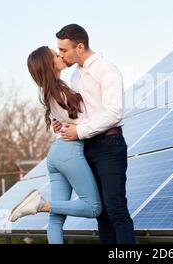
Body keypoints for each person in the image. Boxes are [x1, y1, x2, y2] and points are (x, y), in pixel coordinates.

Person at [8, 46, 102, 244]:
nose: (60, 55)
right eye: (55, 54)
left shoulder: (51, 91)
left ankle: (42, 206)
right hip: (69, 152)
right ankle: (40, 204)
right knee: (94, 207)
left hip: (57, 154)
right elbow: (84, 121)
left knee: (56, 219)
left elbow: (65, 121)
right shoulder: (59, 91)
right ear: (49, 64)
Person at [53, 24, 136, 244]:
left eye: (64, 50)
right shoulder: (75, 78)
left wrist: (79, 131)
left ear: (79, 47)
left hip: (109, 145)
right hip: (87, 146)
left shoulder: (106, 70)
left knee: (115, 207)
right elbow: (81, 114)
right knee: (101, 213)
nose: (60, 55)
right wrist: (62, 122)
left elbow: (114, 112)